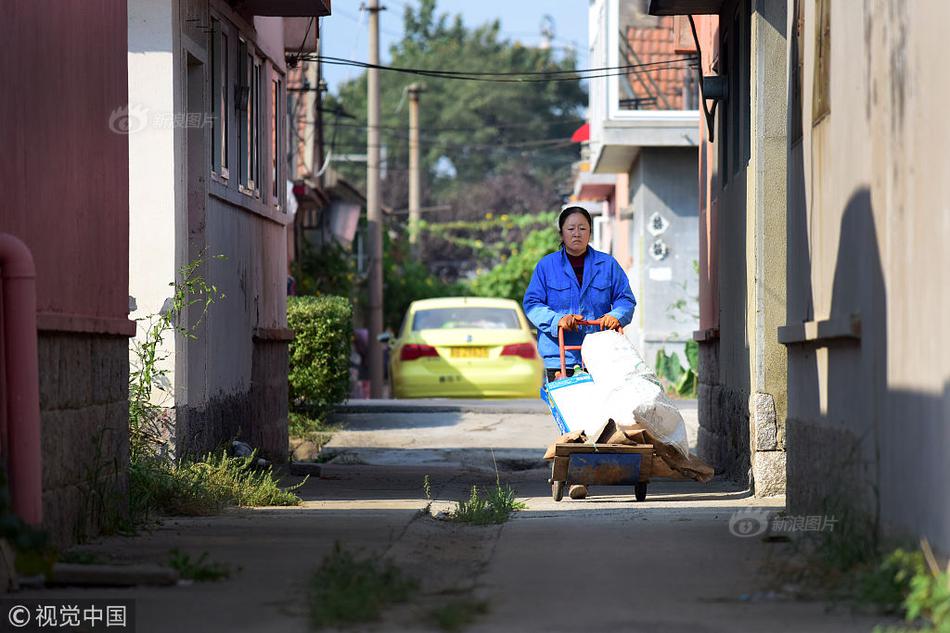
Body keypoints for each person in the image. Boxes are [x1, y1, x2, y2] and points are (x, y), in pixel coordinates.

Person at [523, 206, 637, 384]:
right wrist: (557, 320)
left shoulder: (608, 264)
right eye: (571, 229)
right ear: (561, 234)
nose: (577, 233)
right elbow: (532, 303)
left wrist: (616, 316)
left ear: (590, 232)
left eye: (582, 228)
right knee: (568, 408)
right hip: (560, 355)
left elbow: (626, 299)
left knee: (602, 409)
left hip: (601, 353)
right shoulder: (546, 266)